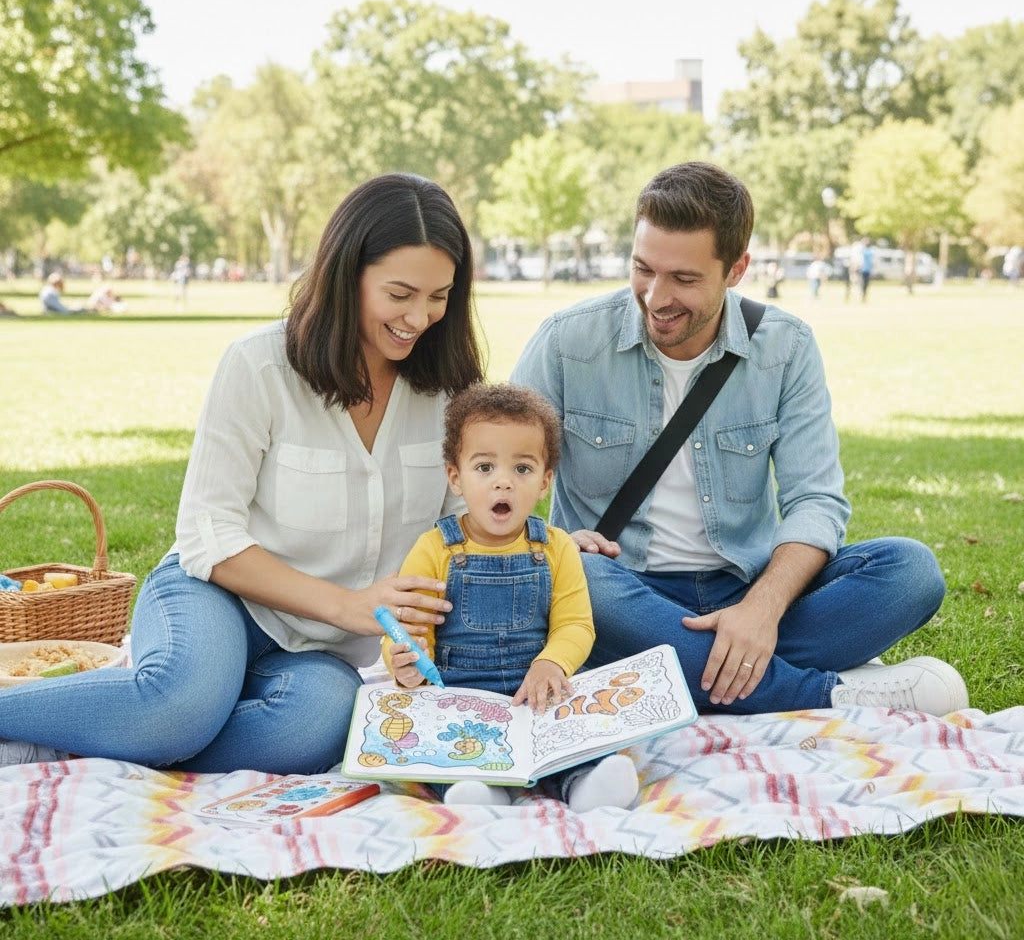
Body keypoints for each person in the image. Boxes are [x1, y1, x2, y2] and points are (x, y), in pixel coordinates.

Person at [0, 172, 484, 773]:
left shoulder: (452, 392)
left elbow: (461, 529)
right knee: (180, 705)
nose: (419, 316)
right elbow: (210, 534)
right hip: (215, 595)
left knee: (320, 724)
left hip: (320, 651)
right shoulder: (259, 366)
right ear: (347, 276)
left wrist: (544, 548)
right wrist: (345, 604)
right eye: (400, 293)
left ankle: (83, 738)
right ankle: (124, 723)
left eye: (439, 296)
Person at [511, 161, 966, 720]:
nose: (655, 297)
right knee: (566, 572)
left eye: (683, 279)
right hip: (616, 588)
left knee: (910, 572)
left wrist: (762, 609)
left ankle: (671, 671)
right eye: (643, 269)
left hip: (744, 586)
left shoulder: (786, 347)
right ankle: (821, 694)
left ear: (737, 269)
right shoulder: (566, 342)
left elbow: (815, 501)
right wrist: (556, 541)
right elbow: (493, 475)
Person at [384, 382, 639, 812]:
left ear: (545, 481)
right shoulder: (434, 548)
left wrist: (551, 663)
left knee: (572, 735)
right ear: (456, 477)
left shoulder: (556, 546)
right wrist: (404, 662)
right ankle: (477, 791)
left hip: (538, 690)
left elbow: (575, 624)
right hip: (461, 696)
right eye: (484, 468)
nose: (503, 482)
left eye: (522, 469)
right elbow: (408, 629)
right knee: (444, 744)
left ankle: (585, 782)